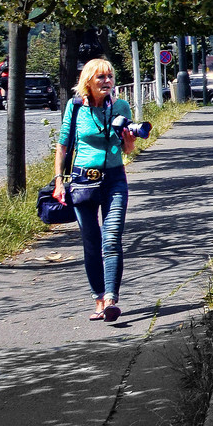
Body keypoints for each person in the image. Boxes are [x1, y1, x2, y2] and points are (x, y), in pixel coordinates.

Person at [55, 59, 137, 322]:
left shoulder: (121, 106)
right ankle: (99, 299)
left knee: (111, 238)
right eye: (101, 77)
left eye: (110, 76)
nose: (107, 81)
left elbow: (127, 150)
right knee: (91, 243)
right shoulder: (76, 106)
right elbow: (63, 145)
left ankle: (112, 298)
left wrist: (130, 141)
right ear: (88, 80)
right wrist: (59, 180)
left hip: (114, 179)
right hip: (82, 181)